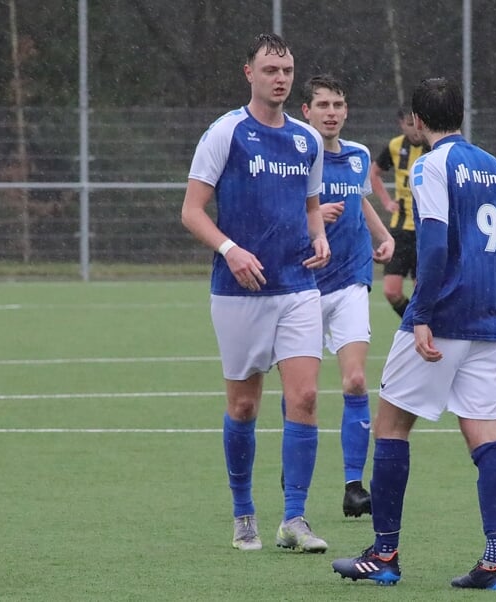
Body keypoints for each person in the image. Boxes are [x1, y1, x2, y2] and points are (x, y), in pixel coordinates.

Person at [331, 77, 496, 590]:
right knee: (486, 435)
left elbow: (435, 248)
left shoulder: (430, 165)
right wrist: (486, 289)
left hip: (442, 321)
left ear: (416, 122)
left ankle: (385, 554)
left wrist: (421, 312)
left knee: (391, 426)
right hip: (491, 321)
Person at [180, 33, 332, 554]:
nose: (281, 78)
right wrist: (230, 250)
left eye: (287, 69)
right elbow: (192, 211)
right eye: (270, 69)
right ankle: (244, 510)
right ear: (250, 73)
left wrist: (319, 235)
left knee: (306, 397)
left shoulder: (306, 140)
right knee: (244, 407)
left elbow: (311, 204)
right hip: (238, 291)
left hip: (298, 287)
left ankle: (295, 517)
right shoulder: (227, 133)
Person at [298, 74, 395, 517]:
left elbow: (360, 199)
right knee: (304, 394)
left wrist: (383, 236)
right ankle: (293, 463)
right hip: (301, 287)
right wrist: (315, 215)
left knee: (356, 380)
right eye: (323, 104)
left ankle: (354, 485)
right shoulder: (296, 156)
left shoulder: (356, 156)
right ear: (307, 112)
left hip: (352, 281)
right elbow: (280, 214)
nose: (331, 111)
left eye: (338, 103)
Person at [368, 105, 430, 317]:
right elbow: (374, 173)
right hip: (400, 230)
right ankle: (412, 325)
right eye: (409, 124)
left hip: (426, 230)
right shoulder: (395, 146)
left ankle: (426, 330)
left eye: (417, 124)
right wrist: (386, 201)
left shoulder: (432, 147)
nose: (414, 130)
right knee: (391, 291)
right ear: (401, 124)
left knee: (423, 291)